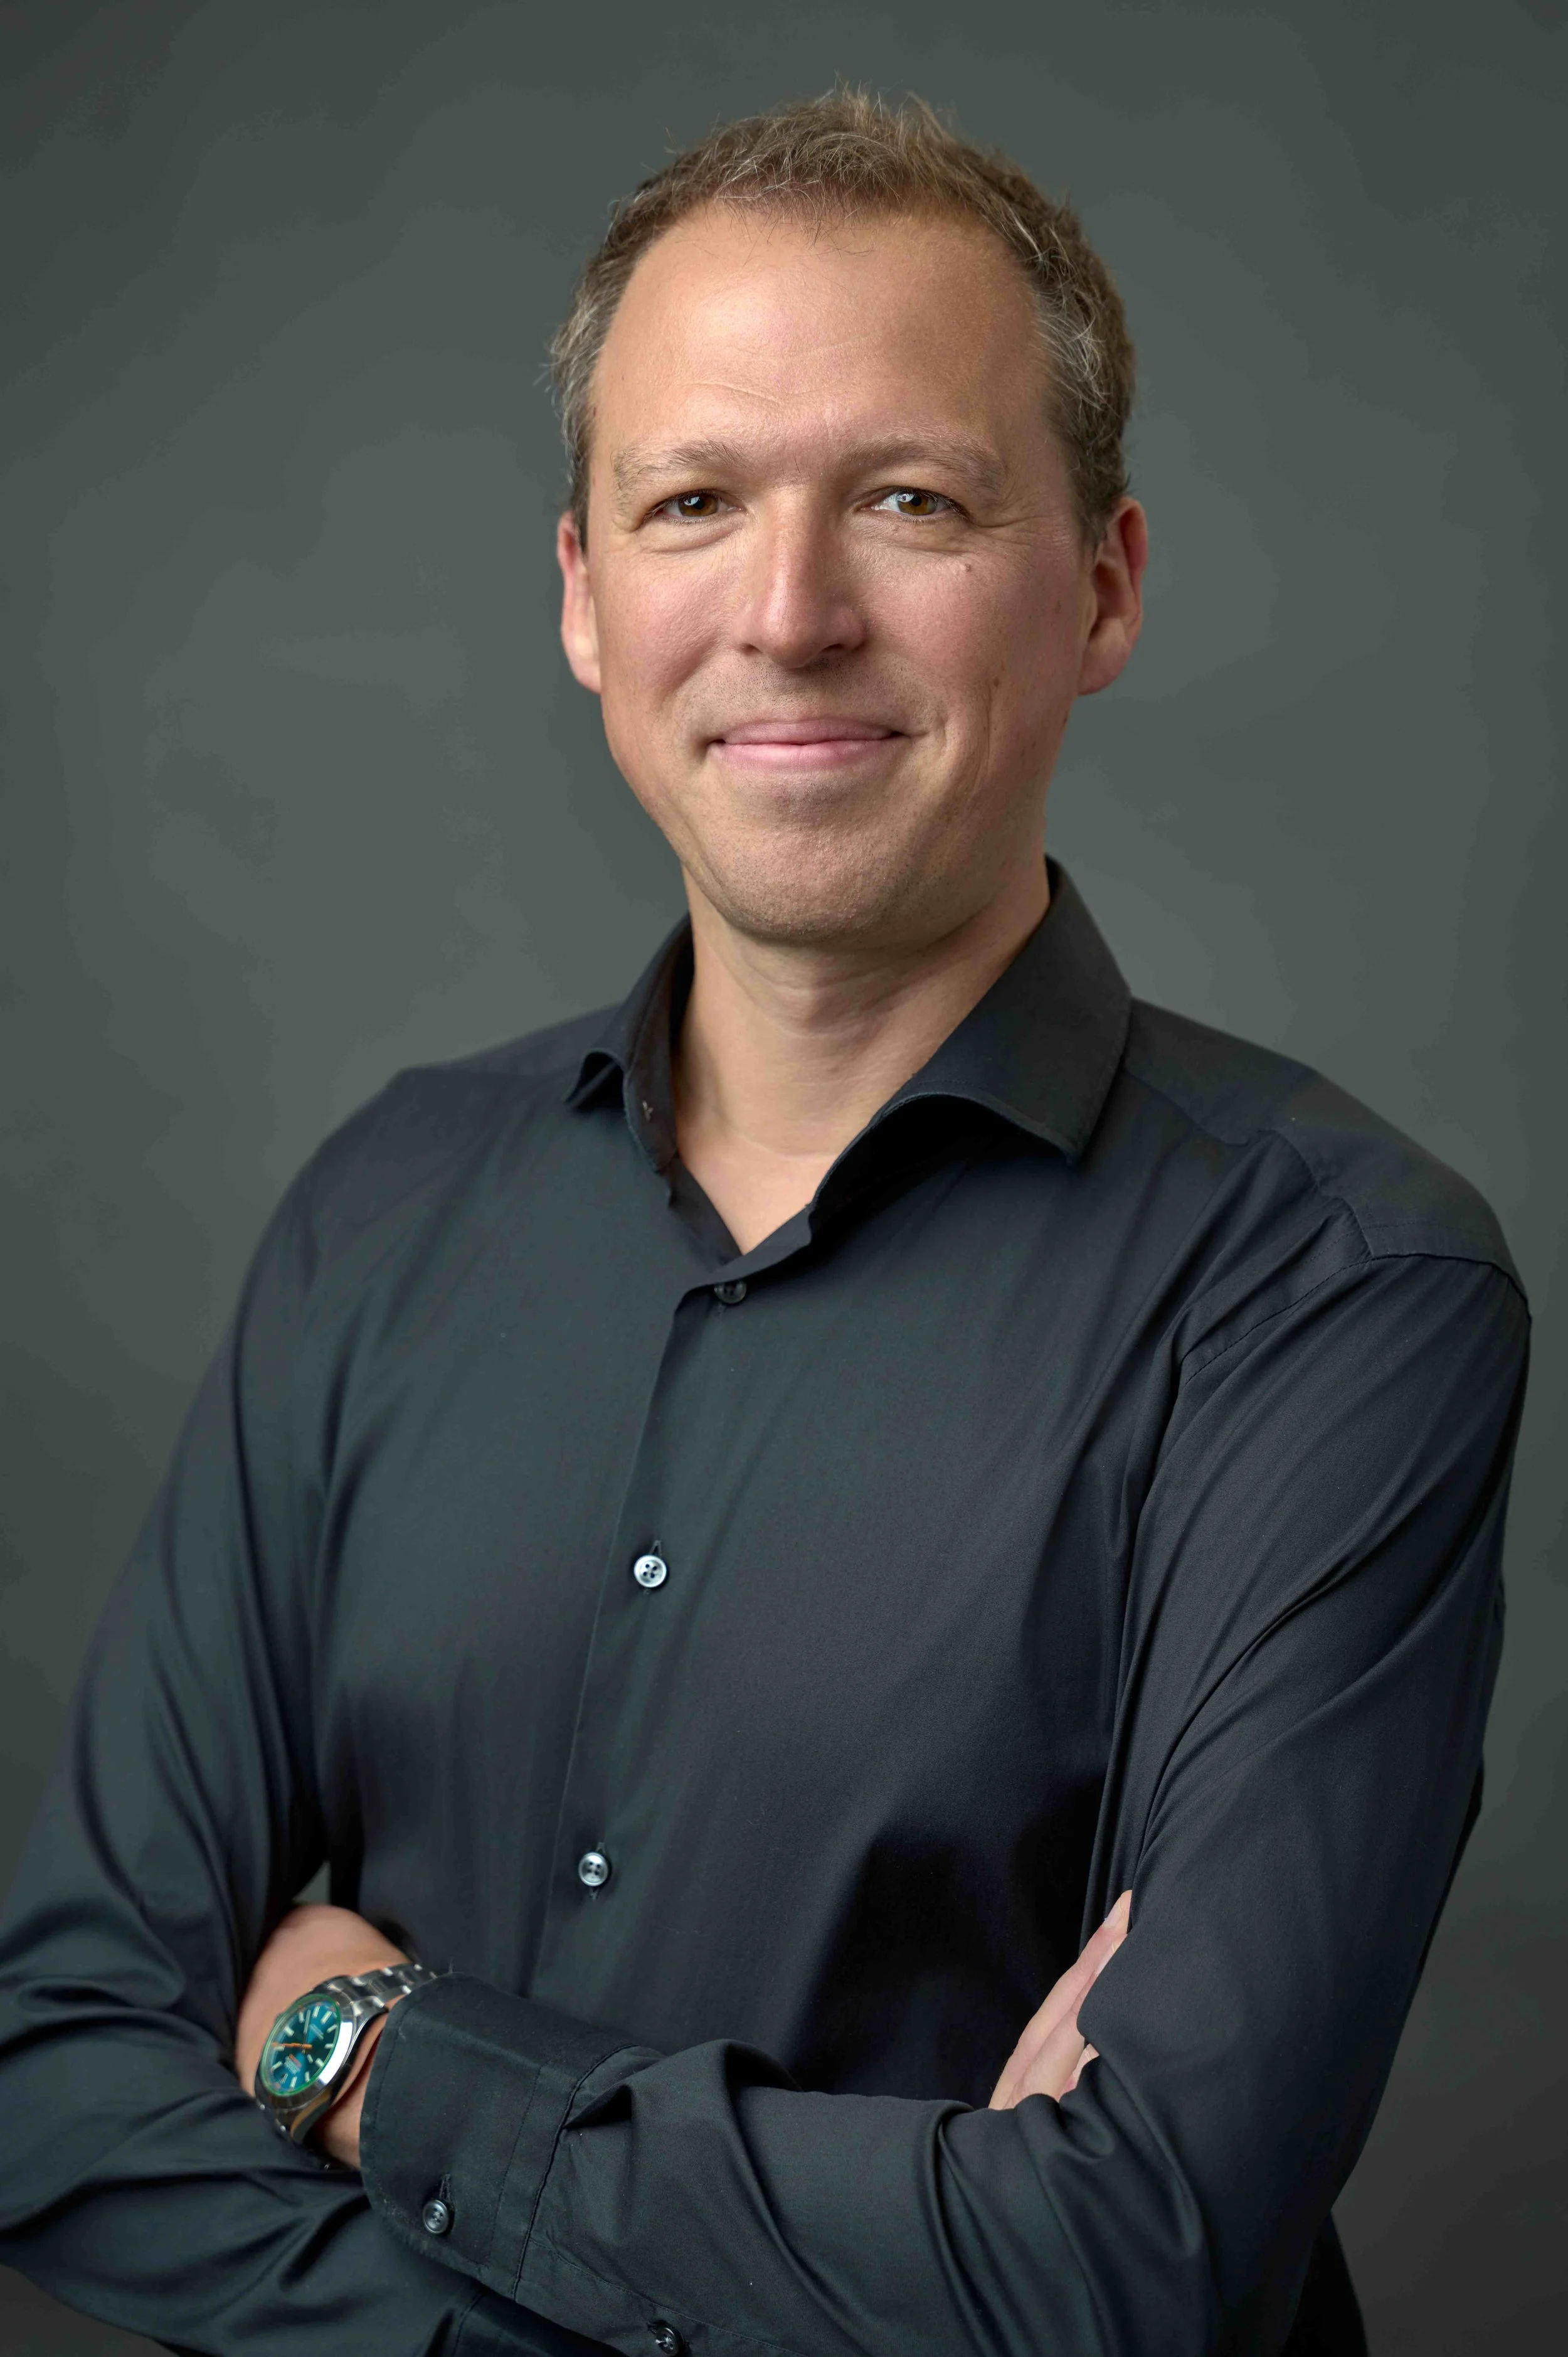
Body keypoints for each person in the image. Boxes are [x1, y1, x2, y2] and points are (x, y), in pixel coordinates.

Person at [0, 90, 1527, 2357]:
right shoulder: (387, 1213)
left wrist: (378, 2057)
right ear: (583, 596)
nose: (789, 616)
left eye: (908, 501)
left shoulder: (1339, 1295)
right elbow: (52, 2076)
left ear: (1098, 587)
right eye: (694, 503)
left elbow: (1120, 2265)